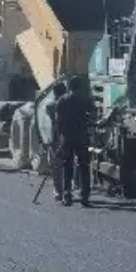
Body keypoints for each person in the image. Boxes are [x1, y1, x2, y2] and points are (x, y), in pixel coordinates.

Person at [52, 74, 95, 207]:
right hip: (82, 136)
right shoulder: (85, 99)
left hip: (67, 137)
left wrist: (60, 139)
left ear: (69, 86)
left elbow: (58, 122)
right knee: (84, 166)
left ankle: (67, 195)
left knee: (67, 166)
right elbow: (93, 113)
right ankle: (85, 196)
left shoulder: (62, 100)